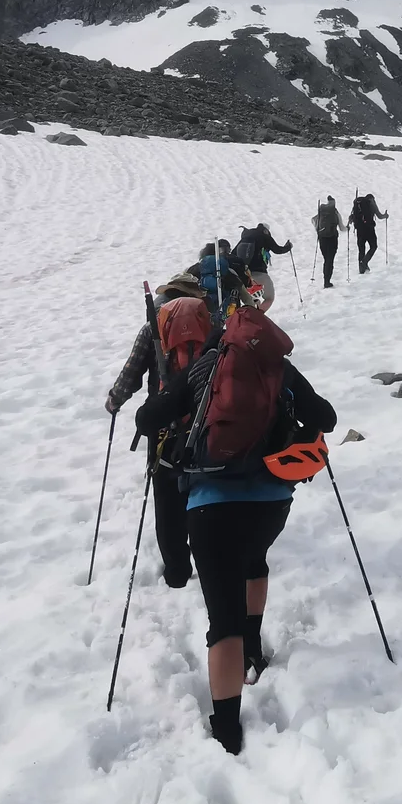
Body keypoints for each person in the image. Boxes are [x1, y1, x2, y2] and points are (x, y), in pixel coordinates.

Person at [134, 309, 338, 755]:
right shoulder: (276, 366)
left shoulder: (203, 367)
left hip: (210, 509)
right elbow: (327, 416)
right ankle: (253, 647)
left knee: (220, 617)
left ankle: (227, 730)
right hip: (271, 504)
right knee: (254, 560)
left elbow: (148, 419)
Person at [104, 278, 210, 589]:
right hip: (206, 424)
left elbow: (132, 374)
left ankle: (177, 572)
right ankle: (210, 563)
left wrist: (115, 400)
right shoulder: (211, 321)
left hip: (163, 428)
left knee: (167, 503)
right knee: (206, 495)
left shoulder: (153, 328)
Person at [232, 224, 292, 311]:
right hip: (260, 274)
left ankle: (250, 313)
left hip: (244, 277)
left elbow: (233, 255)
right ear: (266, 230)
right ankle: (257, 317)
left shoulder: (245, 239)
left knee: (252, 299)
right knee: (269, 298)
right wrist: (288, 246)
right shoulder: (264, 236)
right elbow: (278, 250)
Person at [348, 192, 389, 273]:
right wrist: (386, 215)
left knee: (361, 248)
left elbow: (352, 217)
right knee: (373, 246)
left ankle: (361, 269)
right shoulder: (371, 202)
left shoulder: (357, 204)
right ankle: (365, 262)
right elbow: (379, 216)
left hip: (359, 229)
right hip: (369, 228)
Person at [312, 196, 342, 288]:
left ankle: (326, 280)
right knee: (330, 260)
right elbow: (341, 227)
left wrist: (318, 229)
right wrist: (347, 228)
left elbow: (313, 220)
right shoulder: (335, 213)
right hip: (332, 239)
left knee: (326, 259)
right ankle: (327, 281)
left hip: (322, 238)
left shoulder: (321, 212)